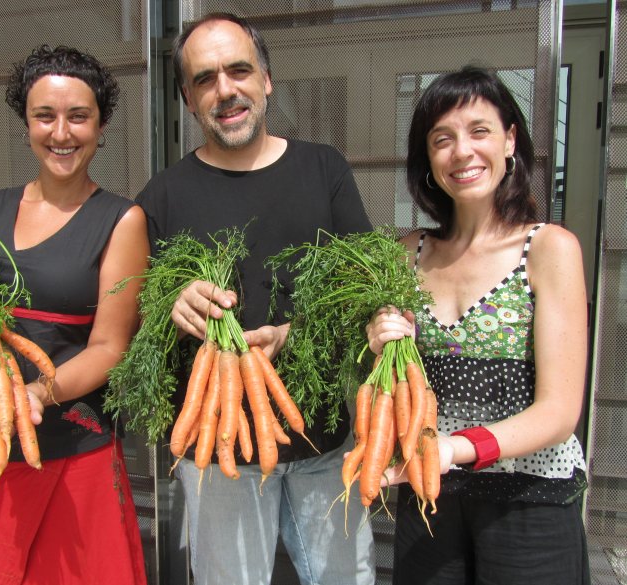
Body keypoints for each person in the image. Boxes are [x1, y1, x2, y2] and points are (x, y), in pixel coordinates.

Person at [137, 12, 376, 585]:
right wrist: (170, 304)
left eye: (239, 70)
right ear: (189, 102)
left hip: (322, 439)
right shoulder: (162, 196)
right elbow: (134, 318)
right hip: (220, 451)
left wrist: (297, 337)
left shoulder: (324, 169)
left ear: (266, 80)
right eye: (204, 79)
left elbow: (367, 296)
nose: (225, 90)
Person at [0, 45, 149, 585]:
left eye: (78, 116)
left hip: (65, 444)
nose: (61, 132)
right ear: (26, 124)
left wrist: (36, 394)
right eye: (45, 116)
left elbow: (110, 348)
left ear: (101, 125)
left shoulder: (121, 220)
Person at [367, 65, 590, 585]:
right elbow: (394, 389)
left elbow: (559, 412)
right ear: (427, 159)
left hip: (528, 498)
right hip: (430, 495)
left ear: (510, 140)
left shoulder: (548, 249)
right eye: (441, 139)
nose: (461, 151)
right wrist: (379, 350)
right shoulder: (407, 254)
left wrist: (453, 449)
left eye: (479, 131)